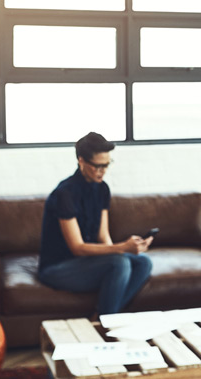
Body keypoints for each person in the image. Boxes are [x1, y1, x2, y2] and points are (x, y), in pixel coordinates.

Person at [38, 132, 153, 317]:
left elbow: (102, 236)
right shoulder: (64, 194)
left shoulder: (102, 189)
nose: (102, 171)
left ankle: (105, 316)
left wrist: (128, 250)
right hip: (58, 268)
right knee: (119, 263)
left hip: (86, 263)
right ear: (81, 161)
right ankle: (107, 320)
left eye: (106, 165)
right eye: (97, 166)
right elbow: (77, 248)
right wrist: (121, 248)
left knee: (143, 263)